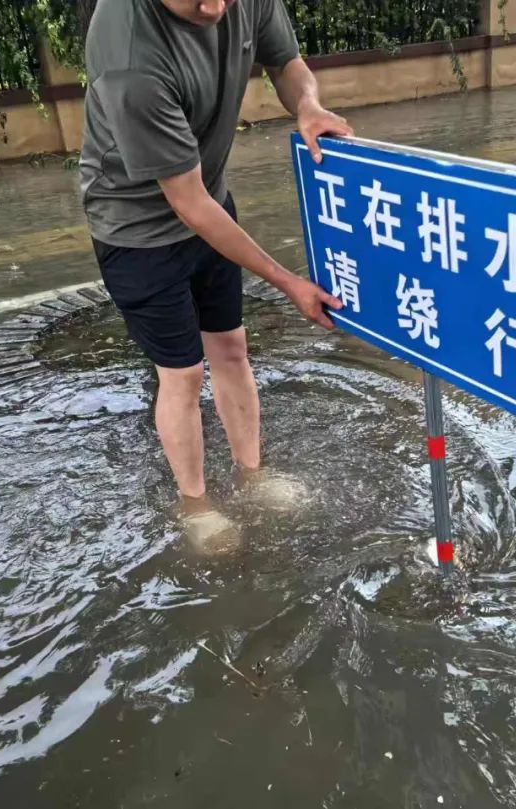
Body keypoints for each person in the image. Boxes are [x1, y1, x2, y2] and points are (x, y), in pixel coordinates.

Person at [79, 0, 352, 545]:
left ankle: (253, 474)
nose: (214, 7)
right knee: (182, 374)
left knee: (231, 347)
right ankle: (196, 505)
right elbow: (188, 203)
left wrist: (308, 105)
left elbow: (286, 62)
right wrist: (289, 281)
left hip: (211, 202)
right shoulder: (131, 52)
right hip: (137, 231)